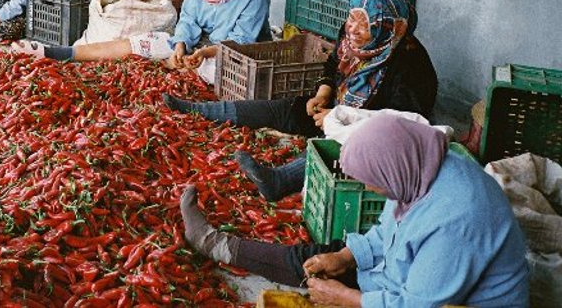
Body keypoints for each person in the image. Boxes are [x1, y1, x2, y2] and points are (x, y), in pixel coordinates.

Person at [179, 114, 530, 307]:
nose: (369, 189)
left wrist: (351, 299)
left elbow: (420, 304)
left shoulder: (457, 219)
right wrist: (347, 257)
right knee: (318, 258)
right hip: (406, 278)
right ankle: (212, 243)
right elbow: (386, 231)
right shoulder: (418, 167)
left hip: (448, 302)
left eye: (371, 182)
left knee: (327, 289)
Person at [164, 0, 437, 201]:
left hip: (373, 135)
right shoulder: (353, 38)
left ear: (388, 27)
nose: (352, 29)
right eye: (352, 18)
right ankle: (201, 109)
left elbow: (400, 124)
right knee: (283, 108)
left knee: (343, 147)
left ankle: (279, 181)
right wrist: (323, 93)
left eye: (363, 25)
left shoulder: (412, 67)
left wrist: (342, 118)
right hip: (334, 109)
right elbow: (333, 65)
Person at [10, 0, 271, 84]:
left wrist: (202, 54)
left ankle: (170, 67)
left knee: (224, 74)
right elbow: (189, 18)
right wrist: (181, 43)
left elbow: (242, 42)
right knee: (143, 41)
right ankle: (62, 53)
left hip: (233, 54)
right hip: (197, 45)